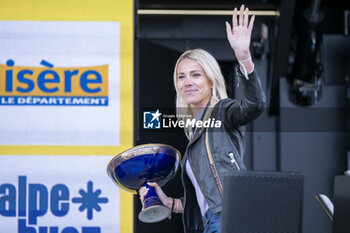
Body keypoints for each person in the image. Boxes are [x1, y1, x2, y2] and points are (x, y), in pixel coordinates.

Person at [139, 4, 266, 233]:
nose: (187, 81)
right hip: (210, 224)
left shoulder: (222, 111)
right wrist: (171, 203)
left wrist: (244, 58)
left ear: (210, 80)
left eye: (196, 75)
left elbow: (254, 105)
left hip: (230, 219)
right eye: (181, 76)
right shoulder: (197, 131)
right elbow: (205, 199)